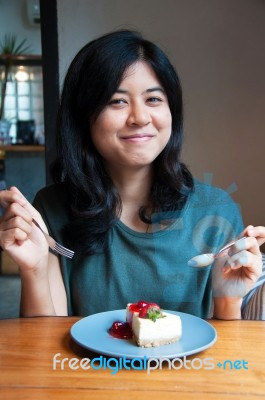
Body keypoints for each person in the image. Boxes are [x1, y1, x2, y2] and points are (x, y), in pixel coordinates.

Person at [0, 30, 264, 320]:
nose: (140, 117)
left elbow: (227, 359)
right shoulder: (53, 209)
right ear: (83, 116)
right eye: (117, 101)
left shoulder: (216, 209)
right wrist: (33, 270)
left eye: (153, 99)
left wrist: (227, 301)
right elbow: (43, 351)